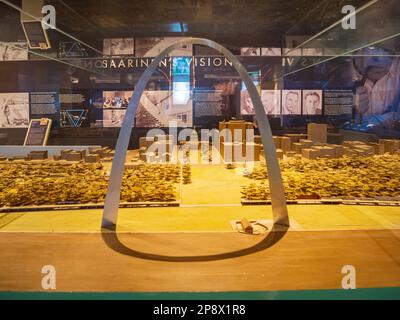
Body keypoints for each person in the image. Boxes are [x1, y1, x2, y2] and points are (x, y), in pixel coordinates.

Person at [354, 46, 400, 129]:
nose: (373, 63)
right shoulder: (347, 73)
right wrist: (354, 110)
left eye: (377, 57)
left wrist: (368, 122)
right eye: (363, 57)